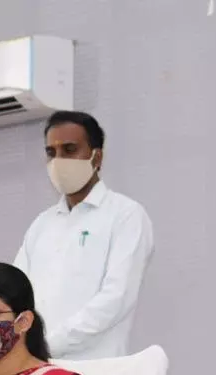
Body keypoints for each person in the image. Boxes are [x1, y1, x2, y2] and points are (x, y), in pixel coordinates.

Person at [14, 111, 155, 360]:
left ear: (96, 157)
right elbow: (13, 294)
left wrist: (45, 346)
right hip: (34, 369)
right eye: (51, 152)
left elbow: (115, 299)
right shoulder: (42, 224)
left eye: (70, 149)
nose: (59, 160)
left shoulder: (125, 215)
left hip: (93, 370)